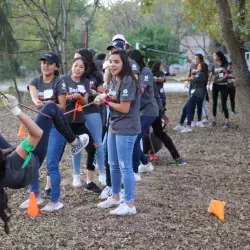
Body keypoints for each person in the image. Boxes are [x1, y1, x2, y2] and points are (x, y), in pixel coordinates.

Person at [0, 94, 88, 233]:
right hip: (30, 163)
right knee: (50, 107)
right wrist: (15, 110)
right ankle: (75, 142)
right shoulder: (13, 161)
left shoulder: (9, 162)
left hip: (14, 177)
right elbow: (36, 134)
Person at [23, 52, 84, 211]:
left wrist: (48, 105)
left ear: (56, 66)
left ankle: (55, 200)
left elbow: (62, 107)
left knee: (51, 164)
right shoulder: (36, 80)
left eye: (50, 63)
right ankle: (35, 195)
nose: (46, 65)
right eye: (43, 62)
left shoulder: (59, 82)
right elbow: (32, 90)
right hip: (39, 127)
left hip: (57, 128)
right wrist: (36, 100)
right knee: (31, 160)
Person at [96, 50, 140, 215]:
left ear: (124, 64)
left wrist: (106, 101)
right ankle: (115, 196)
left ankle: (129, 204)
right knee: (112, 163)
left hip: (127, 128)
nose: (113, 65)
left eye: (117, 62)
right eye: (111, 62)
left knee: (125, 165)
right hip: (114, 125)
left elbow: (124, 107)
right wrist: (103, 96)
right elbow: (114, 98)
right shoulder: (115, 79)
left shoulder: (128, 80)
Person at [61, 56, 102, 193]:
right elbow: (59, 98)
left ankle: (89, 181)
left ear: (85, 70)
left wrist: (79, 96)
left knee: (92, 147)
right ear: (71, 66)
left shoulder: (86, 82)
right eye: (76, 65)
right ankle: (50, 187)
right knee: (58, 153)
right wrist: (71, 96)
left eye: (81, 67)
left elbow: (84, 103)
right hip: (64, 122)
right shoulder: (63, 79)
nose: (78, 69)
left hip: (79, 122)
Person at [139, 71, 186, 170]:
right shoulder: (147, 76)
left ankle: (144, 159)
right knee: (155, 132)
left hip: (151, 110)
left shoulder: (145, 75)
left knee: (145, 133)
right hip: (154, 109)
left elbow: (143, 92)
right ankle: (176, 157)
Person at [74, 49, 106, 186]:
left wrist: (97, 93)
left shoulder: (96, 74)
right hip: (76, 113)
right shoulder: (73, 75)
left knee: (98, 142)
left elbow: (102, 91)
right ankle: (76, 175)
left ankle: (102, 172)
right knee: (76, 143)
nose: (76, 62)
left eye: (78, 58)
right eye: (74, 60)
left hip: (92, 110)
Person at [127, 49, 158, 181]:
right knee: (134, 138)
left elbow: (141, 89)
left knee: (134, 139)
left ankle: (135, 171)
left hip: (149, 110)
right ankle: (145, 163)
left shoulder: (145, 71)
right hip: (141, 110)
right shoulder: (133, 73)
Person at [173, 63, 207, 133]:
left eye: (199, 66)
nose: (197, 67)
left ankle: (188, 126)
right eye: (197, 66)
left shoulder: (201, 74)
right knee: (185, 108)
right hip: (195, 93)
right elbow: (192, 80)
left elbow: (192, 78)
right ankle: (181, 124)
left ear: (202, 68)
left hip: (197, 94)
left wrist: (181, 79)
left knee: (189, 108)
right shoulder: (199, 74)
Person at [210, 51, 230, 129]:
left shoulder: (226, 64)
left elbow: (227, 73)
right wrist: (209, 83)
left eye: (214, 55)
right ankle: (214, 120)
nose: (213, 56)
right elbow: (211, 74)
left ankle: (227, 122)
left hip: (223, 85)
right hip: (215, 85)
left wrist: (222, 70)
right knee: (214, 103)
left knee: (223, 104)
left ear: (219, 56)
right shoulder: (214, 65)